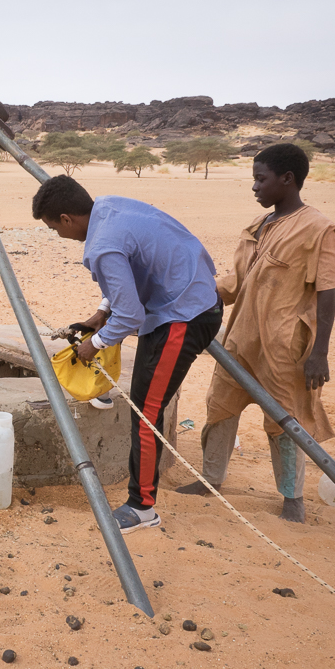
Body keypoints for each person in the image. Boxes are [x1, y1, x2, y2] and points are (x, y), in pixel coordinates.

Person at [32, 175, 222, 533]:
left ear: (67, 219)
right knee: (145, 404)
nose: (57, 235)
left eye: (53, 227)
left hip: (182, 317)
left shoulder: (101, 245)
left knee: (146, 415)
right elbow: (133, 269)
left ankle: (142, 508)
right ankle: (142, 502)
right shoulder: (108, 207)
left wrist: (96, 344)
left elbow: (131, 315)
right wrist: (102, 312)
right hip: (196, 294)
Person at [176, 143, 335, 523]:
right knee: (219, 408)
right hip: (239, 340)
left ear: (287, 179)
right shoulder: (257, 227)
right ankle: (210, 479)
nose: (254, 188)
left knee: (285, 422)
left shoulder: (318, 229)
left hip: (284, 347)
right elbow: (234, 284)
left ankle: (291, 499)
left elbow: (327, 293)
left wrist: (320, 352)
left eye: (260, 179)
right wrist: (187, 293)